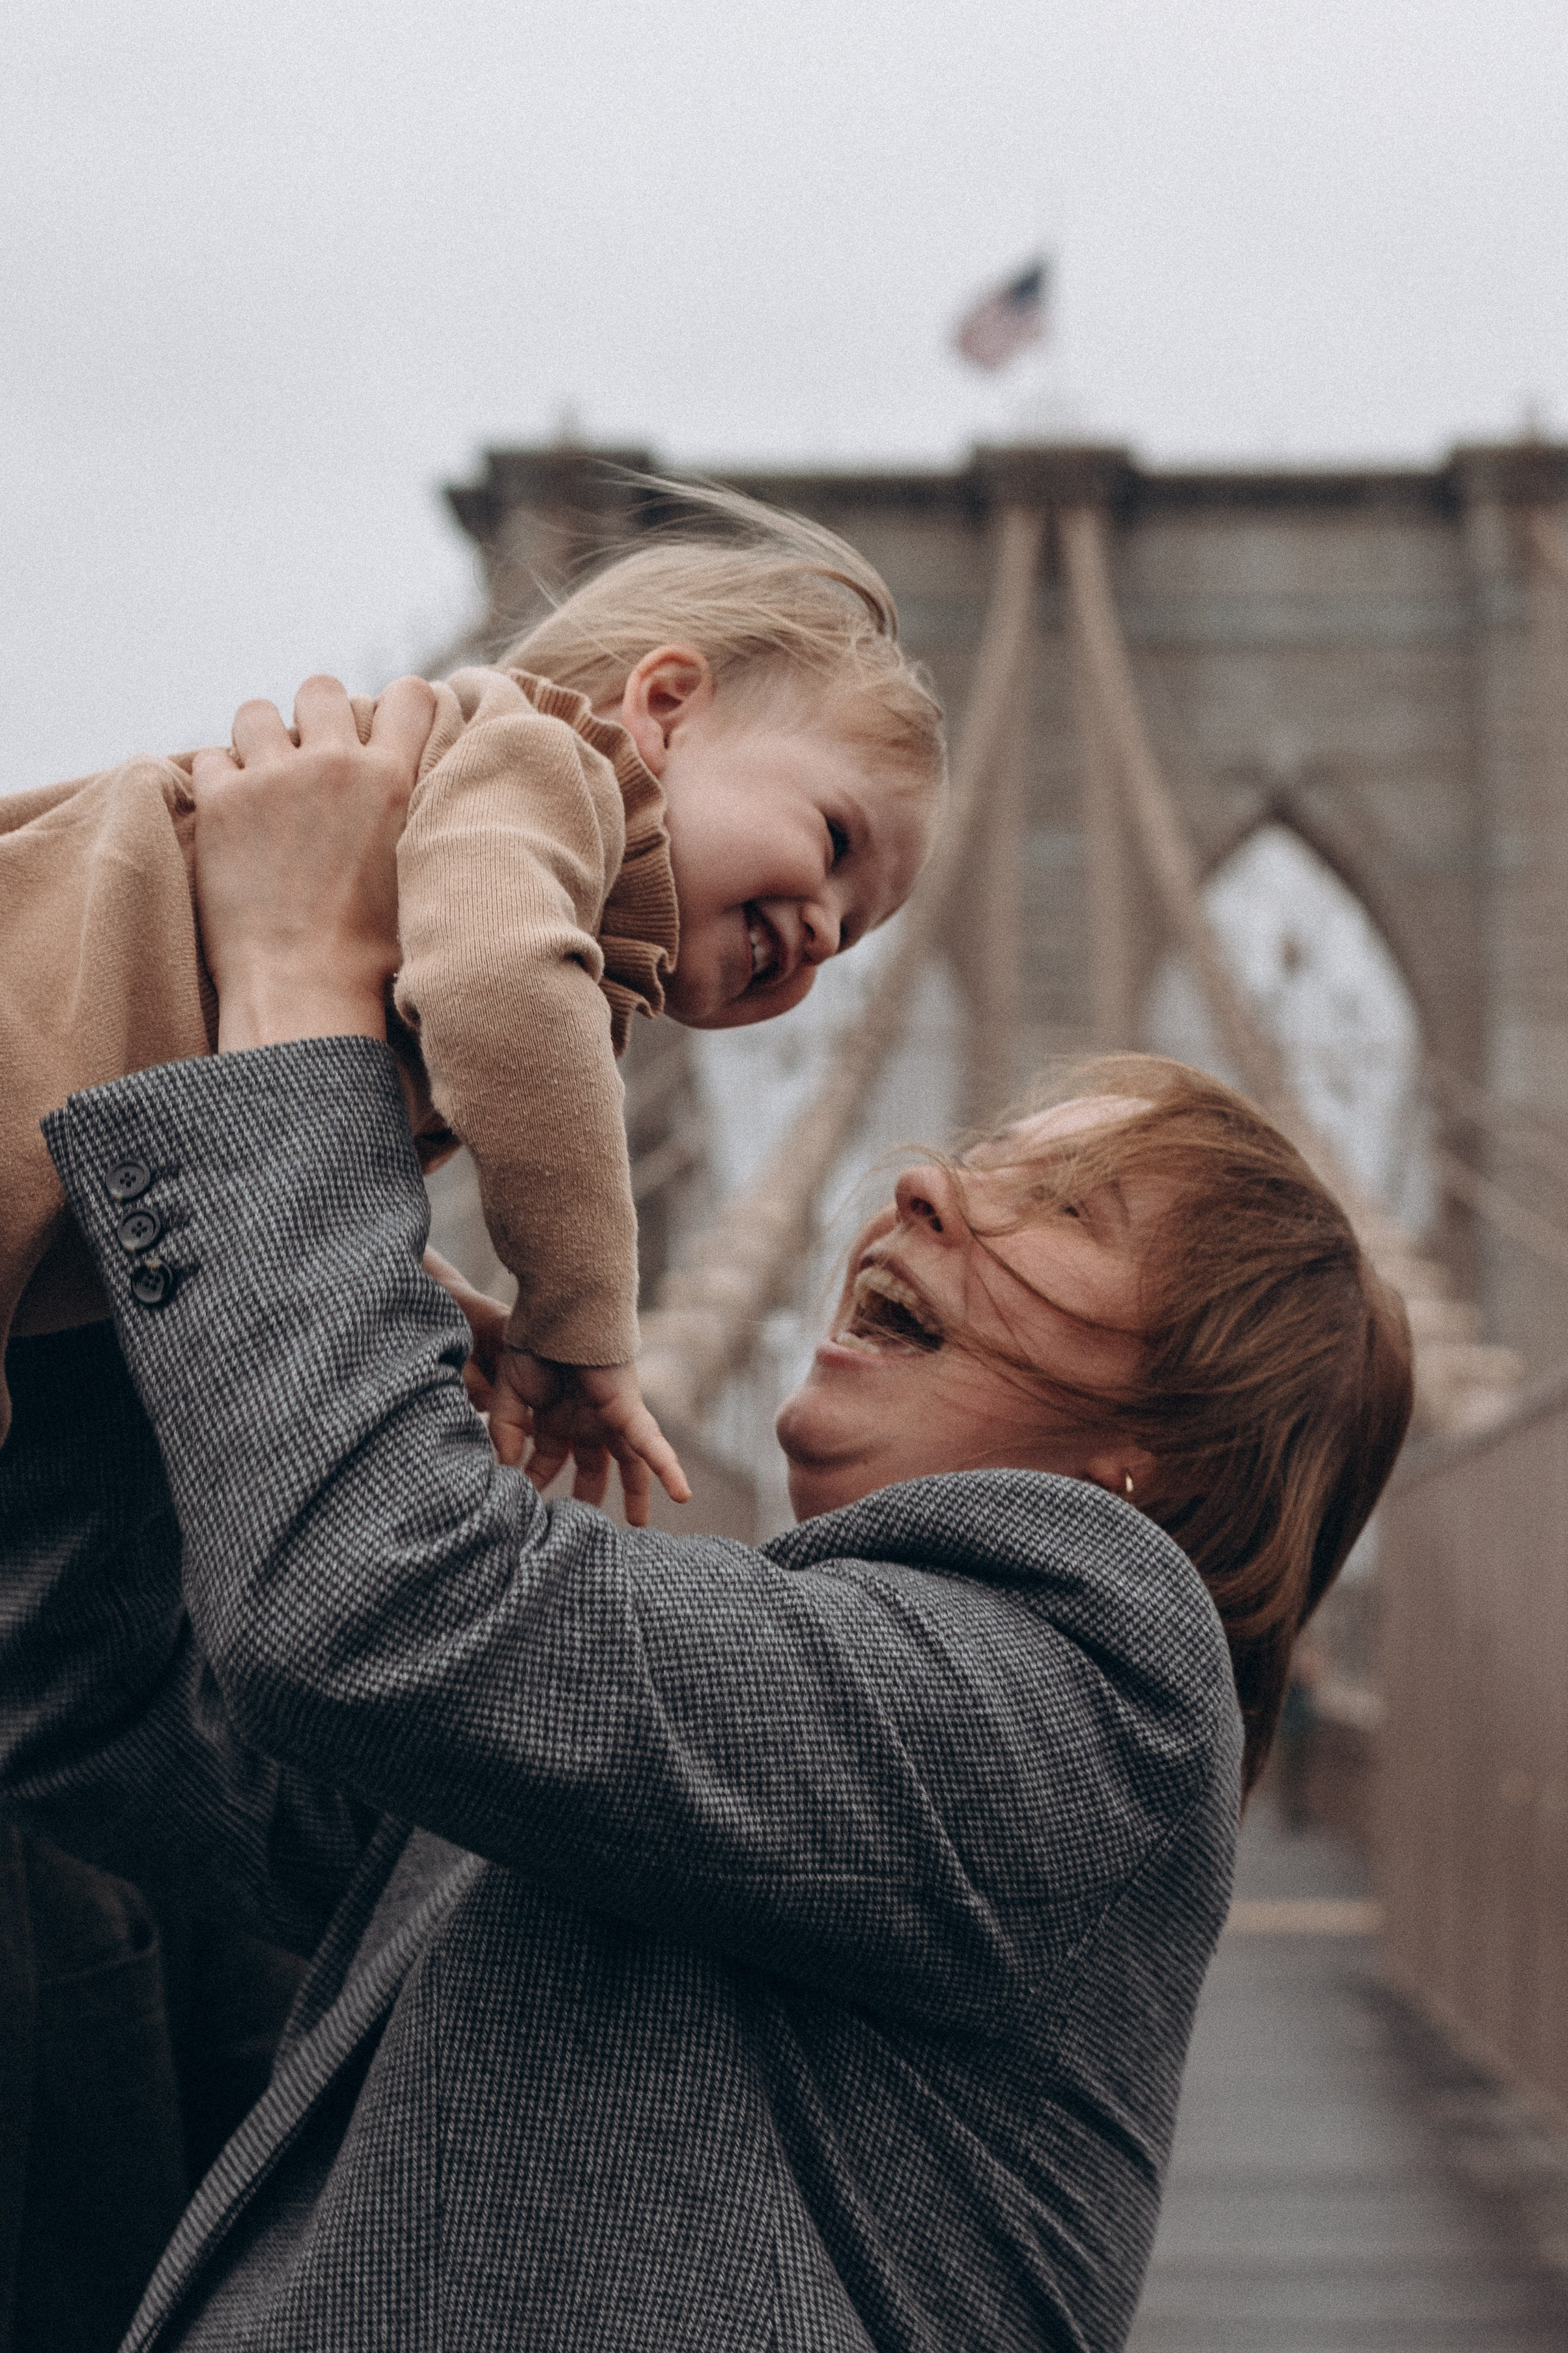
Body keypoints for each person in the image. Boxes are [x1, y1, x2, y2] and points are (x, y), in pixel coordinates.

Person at [0, 700, 1412, 2350]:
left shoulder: (1079, 1720)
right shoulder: (747, 1733)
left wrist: (299, 990)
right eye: (977, 1155)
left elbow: (374, 1609)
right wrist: (140, 1307)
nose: (920, 1186)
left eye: (1065, 1211)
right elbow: (92, 1706)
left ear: (1160, 1458)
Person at [0, 485, 942, 1509]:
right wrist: (581, 1314)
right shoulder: (542, 767)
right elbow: (499, 989)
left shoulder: (506, 900)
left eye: (852, 934)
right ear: (665, 708)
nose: (822, 930)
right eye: (836, 843)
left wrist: (434, 1303)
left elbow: (275, 1132)